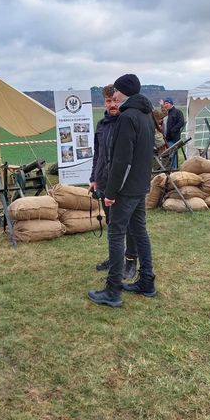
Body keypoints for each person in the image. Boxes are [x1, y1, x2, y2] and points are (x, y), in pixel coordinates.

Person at [88, 74, 156, 307]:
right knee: (140, 233)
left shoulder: (127, 117)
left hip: (126, 190)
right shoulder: (146, 114)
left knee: (116, 235)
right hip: (140, 186)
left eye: (115, 92)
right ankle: (147, 281)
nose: (113, 96)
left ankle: (113, 290)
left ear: (122, 92)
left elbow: (122, 161)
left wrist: (111, 193)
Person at [90, 84, 138, 280]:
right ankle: (114, 257)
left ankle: (130, 261)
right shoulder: (101, 125)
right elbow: (98, 155)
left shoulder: (126, 122)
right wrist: (94, 178)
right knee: (112, 223)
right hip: (104, 182)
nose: (112, 105)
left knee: (128, 226)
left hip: (124, 184)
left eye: (115, 101)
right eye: (108, 101)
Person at [162, 97, 185, 169]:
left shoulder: (177, 112)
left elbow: (181, 122)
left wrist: (173, 130)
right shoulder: (166, 113)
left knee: (173, 153)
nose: (165, 105)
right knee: (169, 154)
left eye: (167, 103)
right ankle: (170, 168)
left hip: (174, 137)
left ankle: (174, 169)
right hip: (166, 138)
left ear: (171, 103)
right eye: (164, 104)